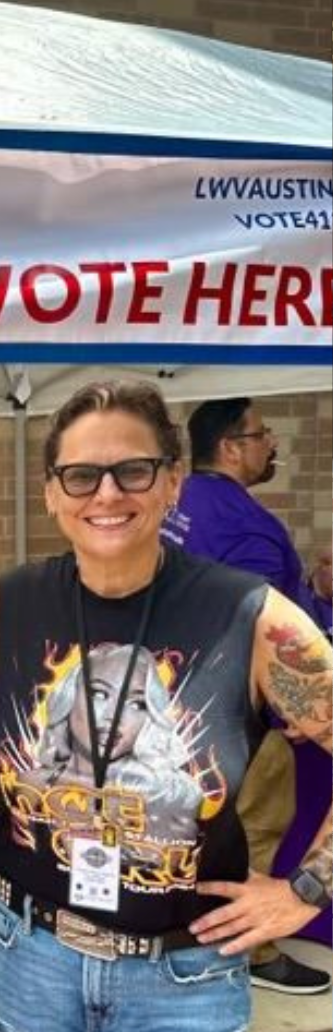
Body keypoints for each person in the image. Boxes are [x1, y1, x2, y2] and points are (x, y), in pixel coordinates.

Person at [0, 380, 332, 1032]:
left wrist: (306, 892)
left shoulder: (249, 616)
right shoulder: (9, 606)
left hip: (181, 971)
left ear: (171, 483)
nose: (108, 495)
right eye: (83, 475)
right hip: (31, 953)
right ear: (51, 492)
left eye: (133, 470)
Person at [161, 397, 330, 994]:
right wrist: (285, 707)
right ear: (230, 446)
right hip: (241, 716)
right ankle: (252, 950)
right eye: (263, 435)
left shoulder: (174, 502)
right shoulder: (250, 526)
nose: (273, 445)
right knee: (256, 826)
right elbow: (257, 628)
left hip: (170, 705)